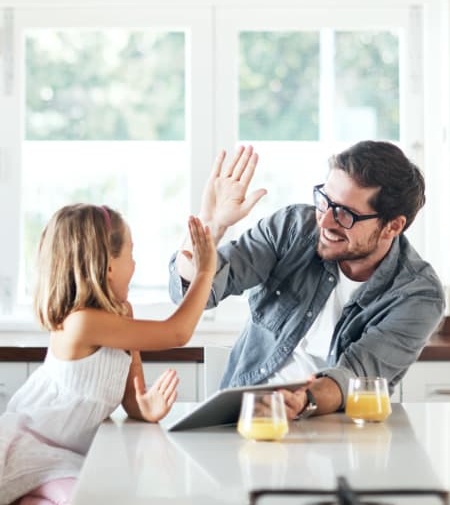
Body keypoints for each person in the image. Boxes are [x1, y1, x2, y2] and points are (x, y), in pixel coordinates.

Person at [169, 141, 445, 420]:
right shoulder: (292, 228)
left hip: (335, 432)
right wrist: (211, 226)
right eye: (324, 200)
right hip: (246, 418)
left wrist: (303, 400)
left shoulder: (417, 295)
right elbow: (195, 296)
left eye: (345, 214)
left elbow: (357, 375)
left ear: (393, 226)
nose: (325, 222)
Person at [0, 204, 216, 505]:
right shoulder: (81, 323)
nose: (135, 263)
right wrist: (205, 273)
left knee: (98, 499)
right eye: (131, 254)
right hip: (34, 448)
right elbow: (177, 334)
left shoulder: (122, 316)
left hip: (70, 455)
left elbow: (131, 395)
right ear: (109, 266)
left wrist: (145, 407)